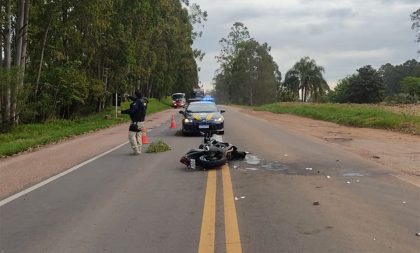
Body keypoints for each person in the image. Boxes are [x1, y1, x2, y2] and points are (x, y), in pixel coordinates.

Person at [121, 90, 149, 155]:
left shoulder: (137, 102)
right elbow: (136, 100)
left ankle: (136, 151)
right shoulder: (144, 100)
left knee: (131, 136)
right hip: (142, 122)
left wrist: (121, 112)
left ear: (136, 95)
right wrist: (129, 96)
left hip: (136, 122)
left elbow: (131, 111)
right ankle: (139, 149)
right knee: (138, 135)